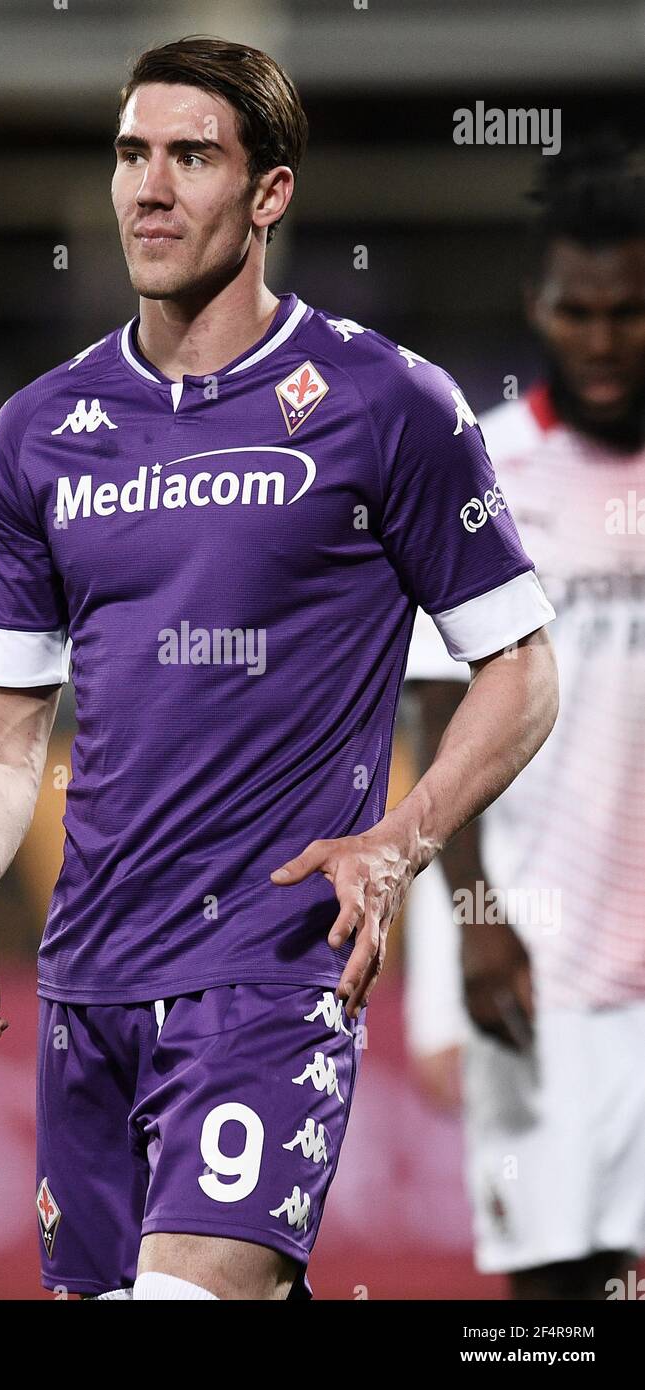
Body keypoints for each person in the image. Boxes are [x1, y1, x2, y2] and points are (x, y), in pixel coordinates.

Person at [0, 35, 557, 1301]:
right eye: (130, 153)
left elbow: (521, 671)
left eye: (191, 156)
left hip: (270, 971)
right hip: (88, 979)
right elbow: (0, 728)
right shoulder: (39, 432)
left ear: (269, 193)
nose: (147, 189)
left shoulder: (387, 405)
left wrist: (401, 837)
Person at [405, 134, 645, 1299]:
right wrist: (476, 929)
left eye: (629, 311)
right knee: (557, 1300)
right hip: (537, 970)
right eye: (578, 309)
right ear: (536, 304)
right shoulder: (485, 472)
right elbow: (434, 722)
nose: (602, 339)